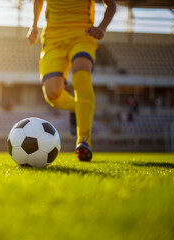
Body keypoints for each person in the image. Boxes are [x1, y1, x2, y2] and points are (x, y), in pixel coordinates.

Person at [27, 0, 116, 161]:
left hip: (82, 34)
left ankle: (84, 141)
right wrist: (34, 25)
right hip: (53, 38)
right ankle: (77, 108)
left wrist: (102, 27)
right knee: (52, 93)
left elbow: (111, 4)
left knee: (81, 77)